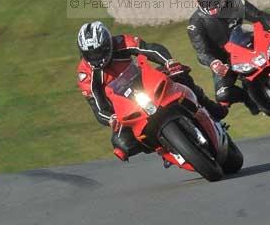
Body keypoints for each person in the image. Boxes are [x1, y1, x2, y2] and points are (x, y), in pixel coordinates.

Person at [76, 20, 228, 162]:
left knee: (180, 75)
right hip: (124, 106)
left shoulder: (121, 42)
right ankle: (163, 148)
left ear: (108, 43)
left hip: (145, 82)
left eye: (99, 51)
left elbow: (149, 49)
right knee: (120, 143)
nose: (96, 57)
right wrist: (111, 118)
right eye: (91, 54)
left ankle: (212, 110)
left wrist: (168, 62)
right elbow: (97, 107)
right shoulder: (85, 75)